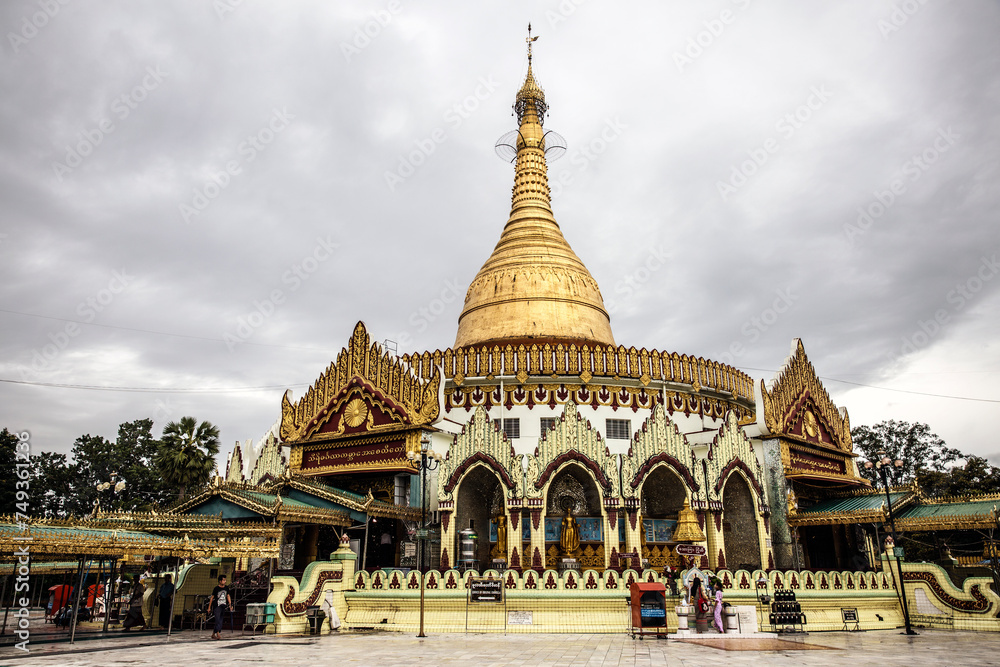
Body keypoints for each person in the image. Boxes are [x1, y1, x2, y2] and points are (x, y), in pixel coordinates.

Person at [208, 574, 231, 640]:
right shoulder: (216, 588)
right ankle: (218, 633)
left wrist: (230, 604)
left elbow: (228, 596)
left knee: (220, 620)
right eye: (223, 580)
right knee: (217, 620)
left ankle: (213, 634)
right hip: (217, 606)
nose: (225, 581)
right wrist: (209, 607)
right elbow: (212, 598)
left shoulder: (226, 588)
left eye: (225, 580)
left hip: (223, 605)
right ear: (220, 581)